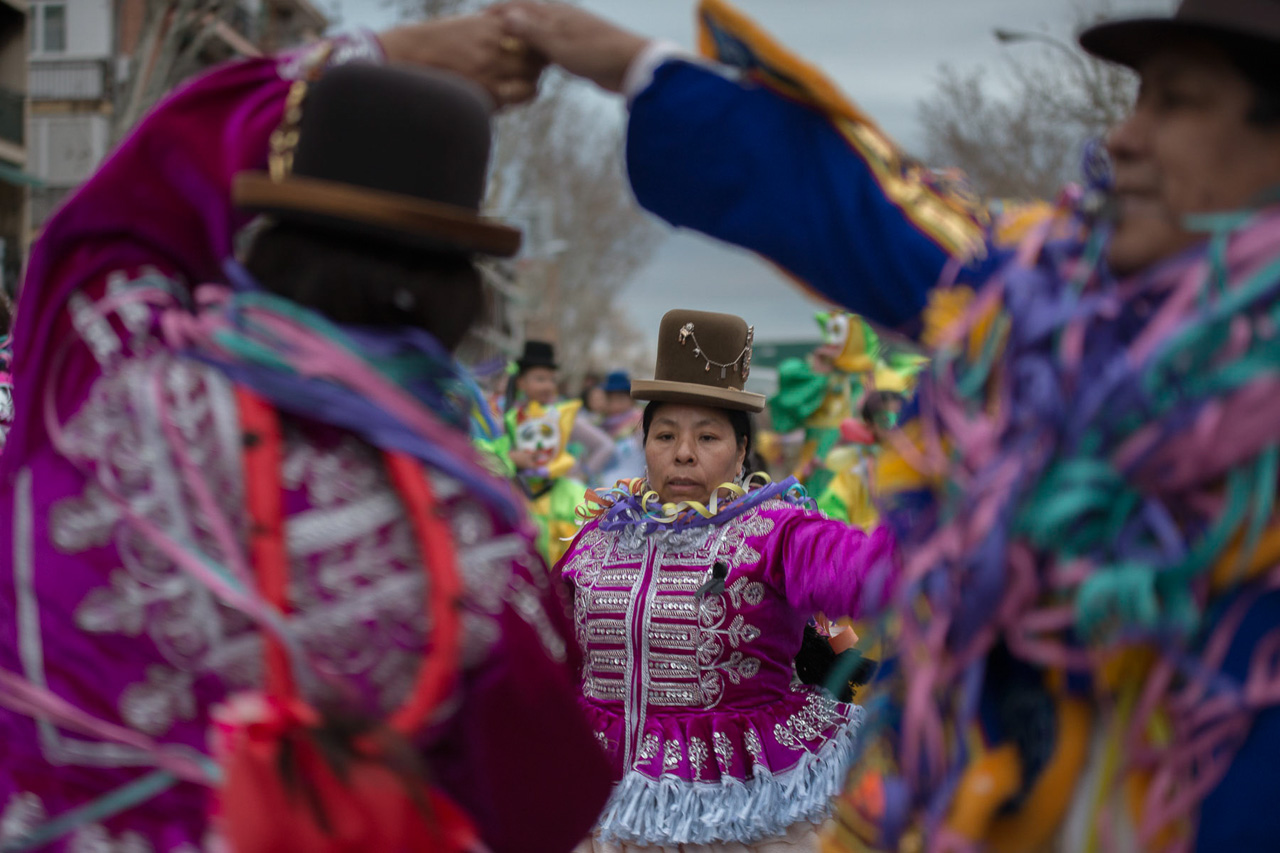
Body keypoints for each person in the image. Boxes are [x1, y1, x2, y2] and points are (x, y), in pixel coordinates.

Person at [497, 0, 1280, 850]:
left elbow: (875, 570)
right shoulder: (1066, 317)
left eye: (1178, 100)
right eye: (666, 431)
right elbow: (858, 208)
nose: (1123, 138)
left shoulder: (772, 531)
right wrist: (632, 65)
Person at [0, 19, 612, 853]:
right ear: (458, 300)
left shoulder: (105, 372)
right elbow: (546, 804)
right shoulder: (475, 553)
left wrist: (370, 57)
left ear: (269, 242)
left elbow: (134, 196)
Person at [561, 308, 899, 851]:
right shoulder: (597, 538)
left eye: (708, 437)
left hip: (745, 808)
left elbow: (861, 571)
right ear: (643, 445)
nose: (683, 453)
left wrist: (941, 541)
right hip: (602, 805)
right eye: (665, 434)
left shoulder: (777, 532)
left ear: (742, 451)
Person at [595, 370, 646, 486]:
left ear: (631, 399)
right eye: (610, 399)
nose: (615, 405)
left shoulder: (641, 423)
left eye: (620, 399)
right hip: (600, 490)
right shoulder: (600, 425)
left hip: (631, 492)